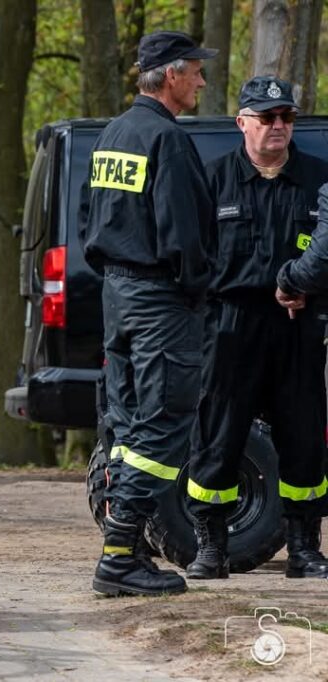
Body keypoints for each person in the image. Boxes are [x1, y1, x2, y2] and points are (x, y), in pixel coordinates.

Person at [80, 30, 217, 597]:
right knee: (164, 426)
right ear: (171, 75)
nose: (202, 82)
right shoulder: (168, 140)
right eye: (196, 72)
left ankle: (127, 550)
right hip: (161, 301)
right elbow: (186, 236)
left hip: (118, 296)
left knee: (129, 424)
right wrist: (198, 291)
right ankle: (118, 555)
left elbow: (96, 226)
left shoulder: (114, 133)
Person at [186, 77, 328, 580]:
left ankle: (304, 547)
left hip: (298, 325)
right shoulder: (213, 180)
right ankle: (211, 547)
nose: (279, 126)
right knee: (218, 437)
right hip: (230, 326)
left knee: (304, 436)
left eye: (287, 117)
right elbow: (192, 261)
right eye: (267, 117)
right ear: (242, 123)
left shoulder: (319, 180)